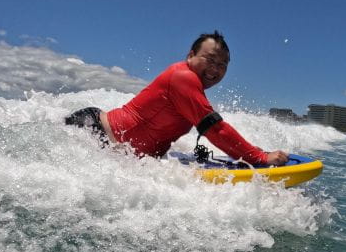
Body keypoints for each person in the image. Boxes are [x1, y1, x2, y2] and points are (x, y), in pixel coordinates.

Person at [66, 31, 289, 166]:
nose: (215, 69)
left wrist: (246, 151)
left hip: (106, 139)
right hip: (95, 133)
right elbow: (216, 129)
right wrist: (258, 157)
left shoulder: (191, 86)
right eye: (210, 60)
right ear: (190, 55)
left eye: (222, 65)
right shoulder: (183, 77)